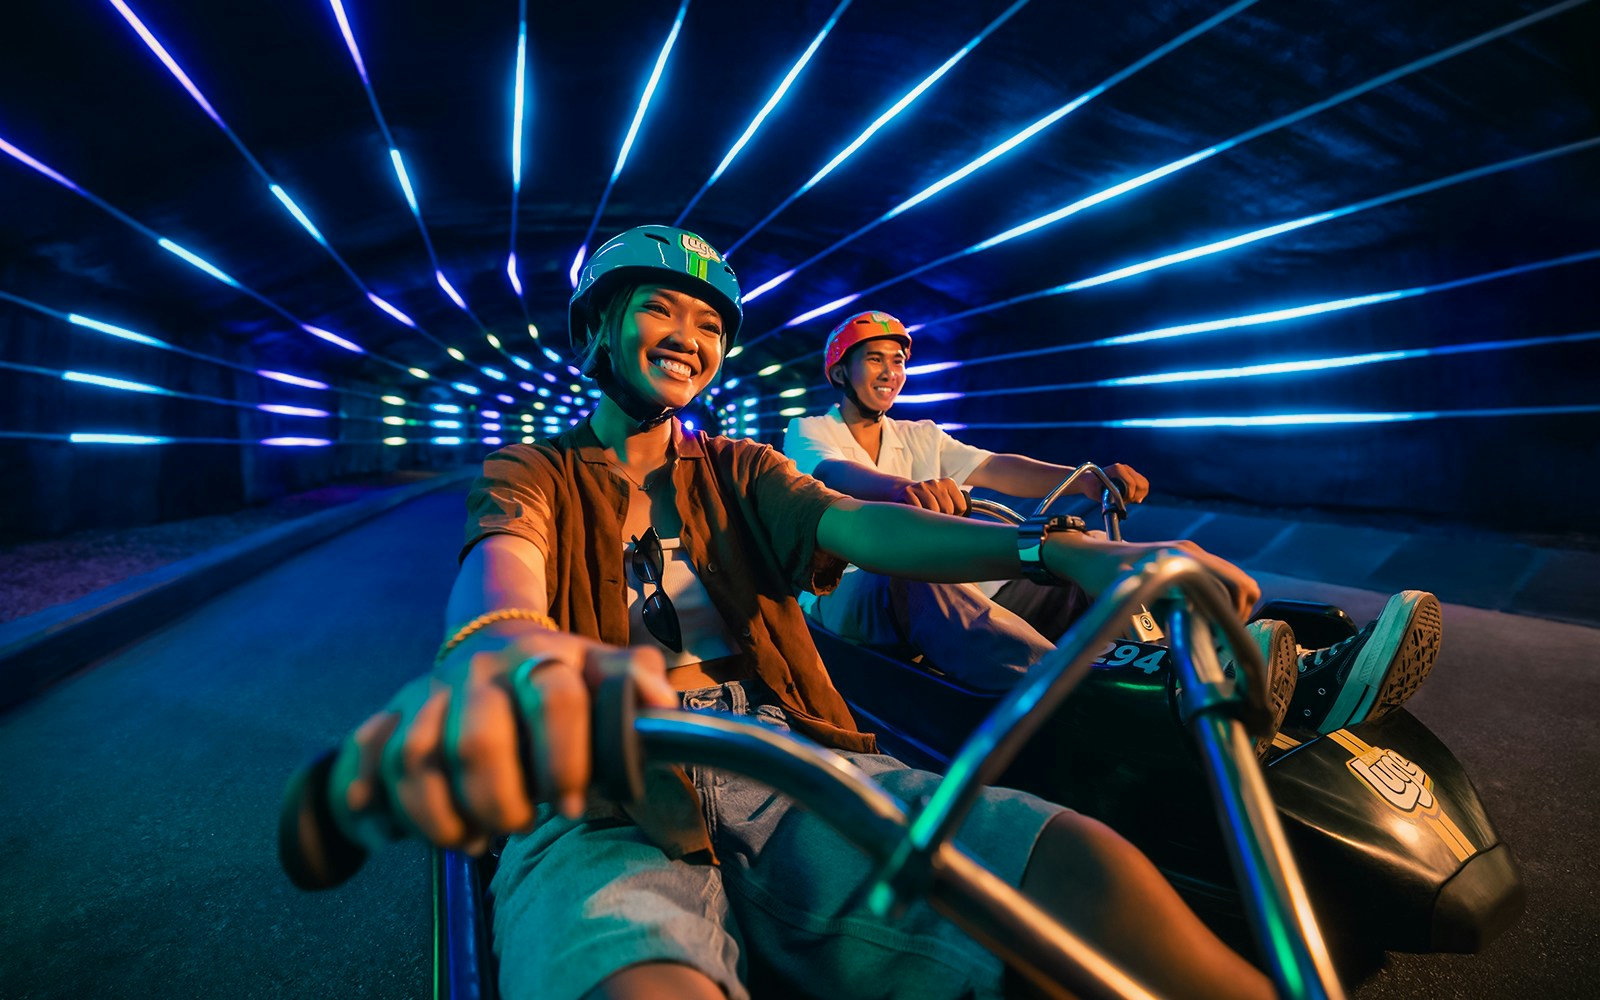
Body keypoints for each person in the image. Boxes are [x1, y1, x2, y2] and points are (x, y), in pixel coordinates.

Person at [323, 225, 1279, 1000]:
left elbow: (858, 527)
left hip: (783, 750)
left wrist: (1061, 544)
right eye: (659, 308)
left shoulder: (740, 469)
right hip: (601, 779)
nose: (687, 336)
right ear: (596, 335)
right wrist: (497, 651)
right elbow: (505, 562)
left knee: (1083, 867)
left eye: (707, 323)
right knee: (645, 984)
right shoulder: (538, 472)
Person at [783, 310, 1443, 739]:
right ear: (841, 369)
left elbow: (997, 467)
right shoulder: (810, 431)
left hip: (952, 589)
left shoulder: (919, 432)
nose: (891, 373)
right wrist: (905, 489)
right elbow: (839, 479)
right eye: (876, 360)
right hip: (857, 602)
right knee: (916, 574)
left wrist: (1086, 477)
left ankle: (1279, 672)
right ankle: (1089, 704)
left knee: (1081, 562)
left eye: (898, 361)